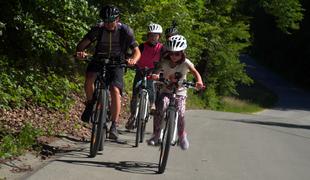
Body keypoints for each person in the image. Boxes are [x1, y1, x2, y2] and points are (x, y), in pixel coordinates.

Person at [75, 5, 141, 140]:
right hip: (98, 59)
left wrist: (133, 60)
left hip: (117, 62)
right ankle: (89, 104)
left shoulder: (126, 31)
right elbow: (82, 45)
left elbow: (137, 51)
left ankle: (114, 125)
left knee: (115, 90)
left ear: (118, 19)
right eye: (106, 21)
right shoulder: (97, 30)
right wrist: (80, 53)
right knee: (89, 80)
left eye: (112, 21)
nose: (109, 24)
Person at [147, 35, 204, 150]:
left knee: (181, 113)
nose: (174, 56)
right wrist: (156, 75)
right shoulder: (164, 61)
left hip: (180, 92)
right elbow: (157, 70)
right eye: (172, 53)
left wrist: (199, 81)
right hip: (166, 90)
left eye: (177, 54)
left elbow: (194, 72)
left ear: (182, 53)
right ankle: (157, 135)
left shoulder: (186, 63)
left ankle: (182, 136)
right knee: (161, 107)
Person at [125, 23, 166, 130]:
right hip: (141, 70)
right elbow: (133, 55)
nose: (153, 37)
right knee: (135, 92)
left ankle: (150, 105)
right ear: (148, 36)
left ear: (159, 37)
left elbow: (165, 60)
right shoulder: (142, 46)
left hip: (153, 71)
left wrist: (161, 71)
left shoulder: (162, 48)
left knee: (151, 89)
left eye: (155, 35)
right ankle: (133, 115)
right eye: (151, 35)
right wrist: (130, 60)